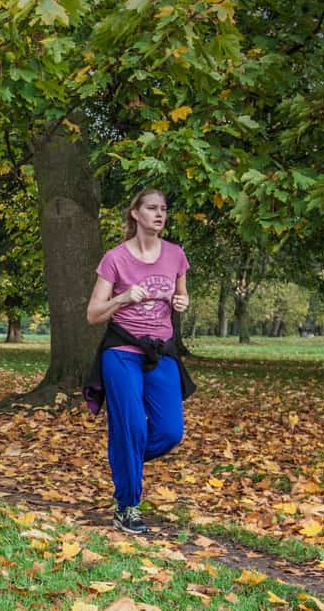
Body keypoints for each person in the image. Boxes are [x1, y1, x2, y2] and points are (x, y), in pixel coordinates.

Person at [82, 188, 194, 535]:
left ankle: (124, 457)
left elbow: (182, 293)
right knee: (131, 426)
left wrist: (181, 303)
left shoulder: (176, 255)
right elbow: (93, 314)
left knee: (169, 431)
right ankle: (127, 505)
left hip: (160, 351)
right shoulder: (115, 258)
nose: (159, 214)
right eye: (151, 208)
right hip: (121, 351)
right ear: (135, 213)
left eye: (163, 208)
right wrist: (123, 297)